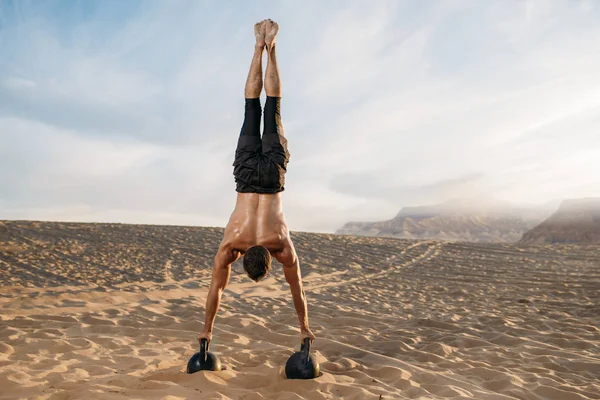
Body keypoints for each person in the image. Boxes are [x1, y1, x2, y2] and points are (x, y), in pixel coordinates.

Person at [198, 19, 315, 348]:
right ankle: (262, 48)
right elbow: (217, 288)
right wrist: (206, 329)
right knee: (252, 107)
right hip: (247, 177)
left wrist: (208, 330)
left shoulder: (280, 245)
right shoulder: (232, 244)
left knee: (271, 106)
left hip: (272, 179)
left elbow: (296, 289)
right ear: (243, 256)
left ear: (270, 257)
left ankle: (268, 49)